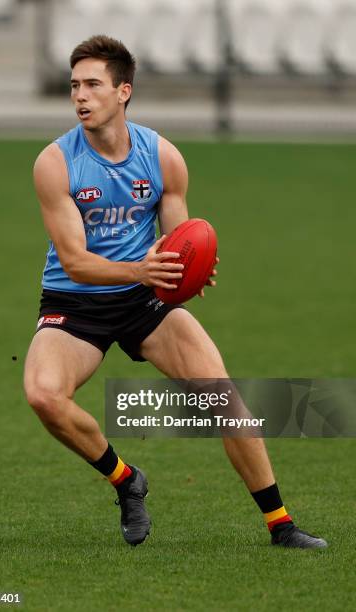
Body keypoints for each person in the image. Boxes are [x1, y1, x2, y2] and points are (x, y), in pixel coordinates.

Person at [24, 35, 327, 549]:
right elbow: (75, 261)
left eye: (93, 84)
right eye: (75, 85)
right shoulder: (55, 163)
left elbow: (177, 243)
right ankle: (126, 480)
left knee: (224, 399)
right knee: (44, 395)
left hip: (145, 299)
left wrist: (187, 272)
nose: (80, 95)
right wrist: (143, 270)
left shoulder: (162, 157)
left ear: (123, 91)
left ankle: (281, 524)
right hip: (75, 301)